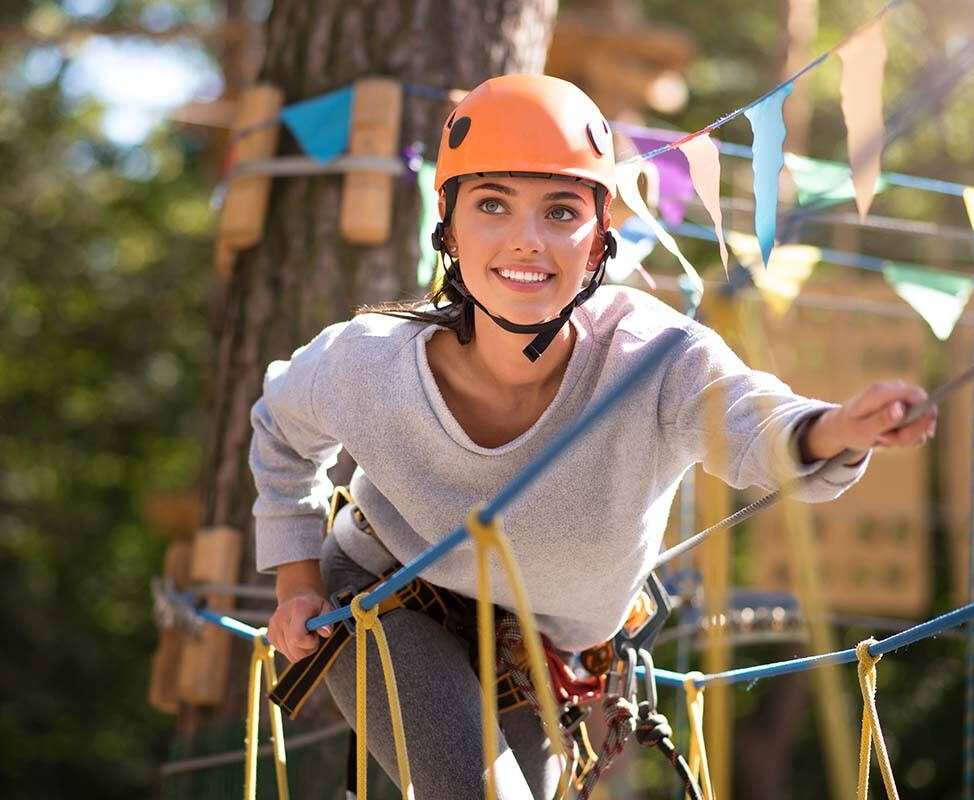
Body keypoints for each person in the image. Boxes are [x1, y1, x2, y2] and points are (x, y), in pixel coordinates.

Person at [248, 74, 937, 800]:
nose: (527, 240)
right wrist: (296, 582)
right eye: (491, 205)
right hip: (386, 598)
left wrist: (831, 429)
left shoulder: (653, 358)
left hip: (544, 653)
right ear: (447, 229)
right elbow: (281, 430)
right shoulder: (369, 362)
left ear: (601, 236)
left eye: (560, 210)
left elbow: (749, 418)